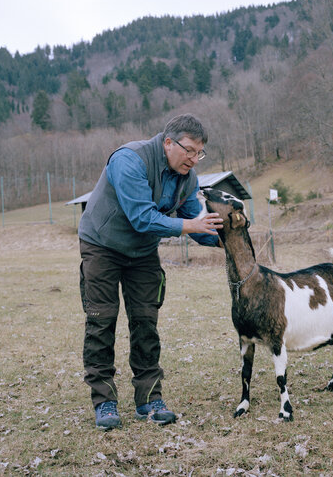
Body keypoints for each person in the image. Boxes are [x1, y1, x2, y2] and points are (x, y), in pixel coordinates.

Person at [78, 114, 223, 429]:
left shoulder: (188, 178)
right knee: (101, 319)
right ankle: (104, 402)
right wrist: (189, 225)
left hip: (142, 251)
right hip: (102, 244)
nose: (194, 160)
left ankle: (149, 400)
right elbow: (141, 217)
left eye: (200, 153)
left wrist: (225, 239)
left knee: (146, 321)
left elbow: (194, 223)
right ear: (168, 142)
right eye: (189, 151)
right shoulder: (129, 160)